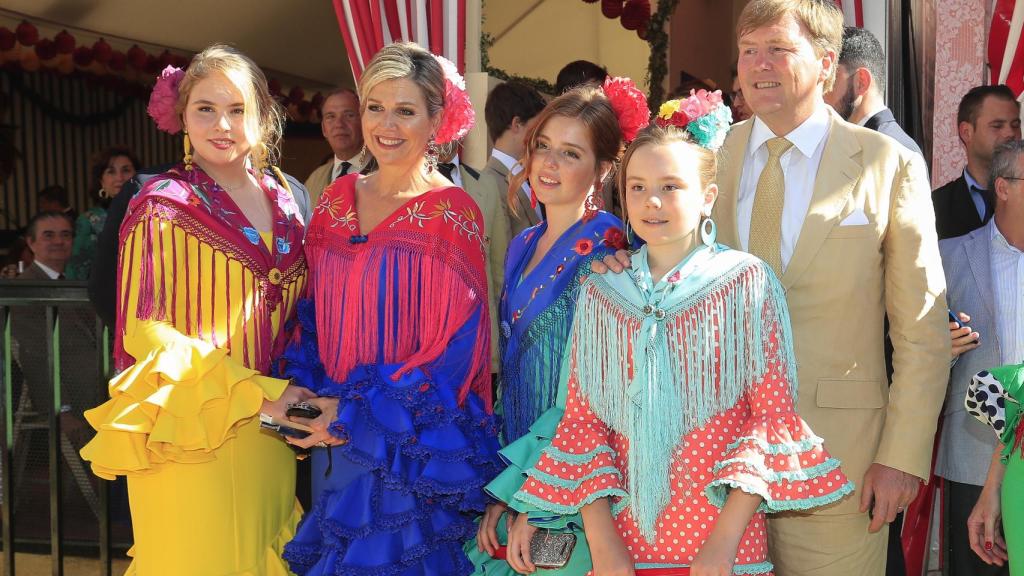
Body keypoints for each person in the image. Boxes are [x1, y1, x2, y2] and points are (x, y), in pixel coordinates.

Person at [598, 1, 950, 572]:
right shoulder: (707, 159)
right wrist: (624, 268)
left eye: (778, 49)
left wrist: (902, 456)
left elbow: (922, 331)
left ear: (827, 63)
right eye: (748, 51)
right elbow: (667, 266)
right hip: (708, 472)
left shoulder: (886, 163)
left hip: (839, 466)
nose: (758, 65)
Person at [513, 93, 852, 576]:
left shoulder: (745, 282)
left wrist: (723, 545)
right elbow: (582, 425)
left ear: (707, 196)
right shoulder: (601, 290)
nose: (652, 202)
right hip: (622, 548)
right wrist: (603, 545)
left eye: (670, 186)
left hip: (723, 548)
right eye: (637, 187)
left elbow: (770, 418)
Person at [79, 44, 311, 575]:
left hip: (272, 435)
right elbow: (145, 330)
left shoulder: (289, 198)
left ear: (262, 115)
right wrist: (260, 394)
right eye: (206, 108)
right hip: (187, 432)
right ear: (182, 116)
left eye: (237, 109)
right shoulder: (162, 203)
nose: (221, 124)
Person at [276, 42, 500, 575]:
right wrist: (306, 396)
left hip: (408, 451)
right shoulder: (335, 198)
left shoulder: (453, 213)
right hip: (330, 440)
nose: (387, 125)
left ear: (437, 121)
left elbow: (455, 353)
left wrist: (355, 413)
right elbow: (313, 314)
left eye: (405, 110)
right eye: (375, 107)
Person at [466, 80, 638, 574]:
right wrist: (504, 488)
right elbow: (511, 376)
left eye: (570, 153)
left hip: (576, 485)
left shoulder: (609, 253)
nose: (549, 163)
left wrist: (538, 497)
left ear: (603, 169)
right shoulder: (523, 243)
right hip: (519, 472)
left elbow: (593, 397)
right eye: (543, 146)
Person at [939, 139, 1024, 575]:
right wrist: (942, 350)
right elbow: (911, 358)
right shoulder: (947, 256)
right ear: (1003, 188)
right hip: (974, 457)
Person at [933, 85, 1021, 240]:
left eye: (1015, 125)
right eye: (997, 126)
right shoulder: (934, 207)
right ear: (966, 132)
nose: (1010, 133)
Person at [825, 26, 923, 156]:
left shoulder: (893, 150)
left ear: (861, 81)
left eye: (830, 80)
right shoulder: (860, 142)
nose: (822, 91)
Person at [483, 81, 546, 235]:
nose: (542, 134)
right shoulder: (489, 183)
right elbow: (501, 247)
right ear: (517, 124)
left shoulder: (533, 174)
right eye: (538, 126)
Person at [67, 147, 139, 279]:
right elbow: (76, 273)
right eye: (111, 172)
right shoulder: (89, 221)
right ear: (101, 181)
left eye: (126, 170)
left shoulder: (152, 215)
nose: (120, 177)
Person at [304, 87, 369, 206]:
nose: (339, 124)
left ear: (364, 122)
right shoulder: (314, 179)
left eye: (349, 115)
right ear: (324, 129)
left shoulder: (386, 174)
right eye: (331, 117)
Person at [19, 211, 73, 279]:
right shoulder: (25, 283)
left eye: (65, 235)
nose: (59, 242)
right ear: (31, 243)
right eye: (49, 235)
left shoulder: (79, 278)